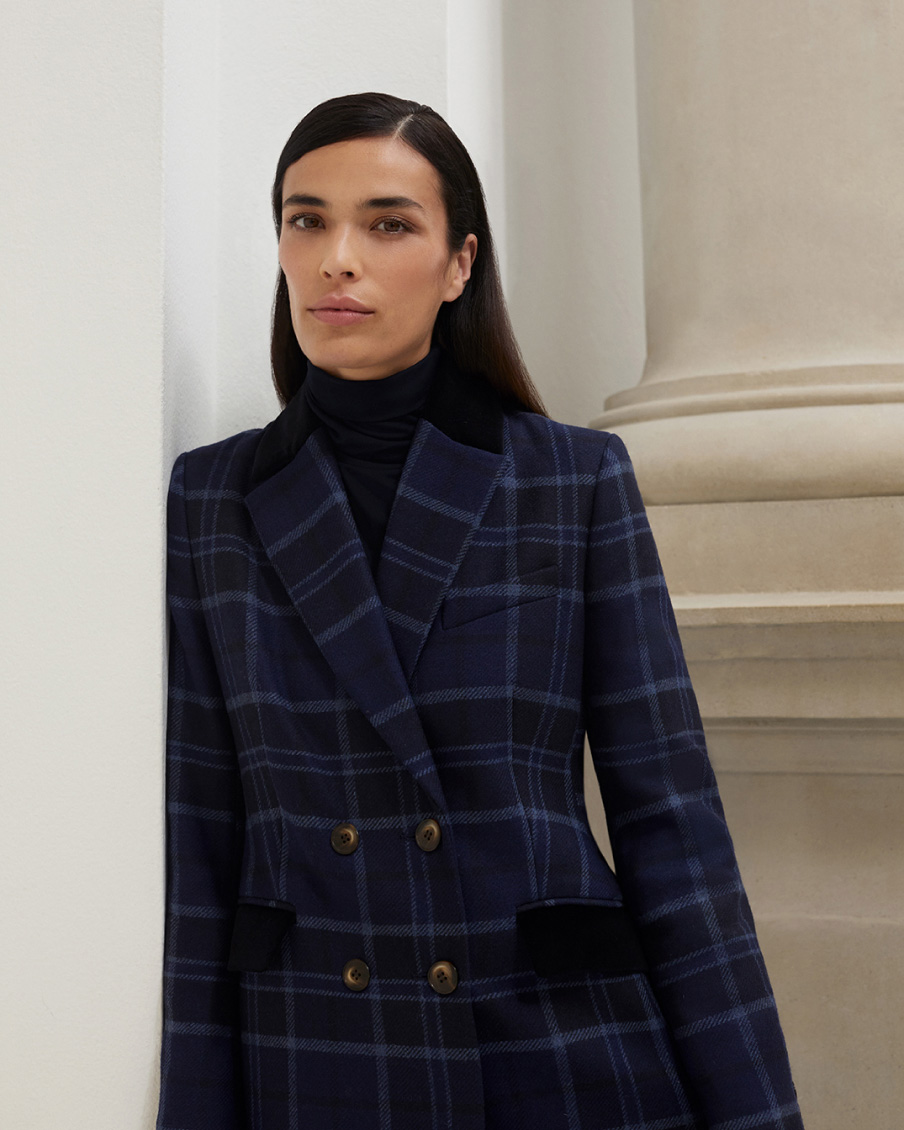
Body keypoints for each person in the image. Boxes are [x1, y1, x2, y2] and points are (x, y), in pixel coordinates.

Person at [156, 92, 803, 1130]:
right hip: (318, 1051)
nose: (337, 258)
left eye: (388, 223)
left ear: (459, 263)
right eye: (305, 218)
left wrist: (754, 1112)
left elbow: (669, 823)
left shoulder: (570, 478)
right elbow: (200, 843)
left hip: (550, 1046)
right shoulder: (212, 497)